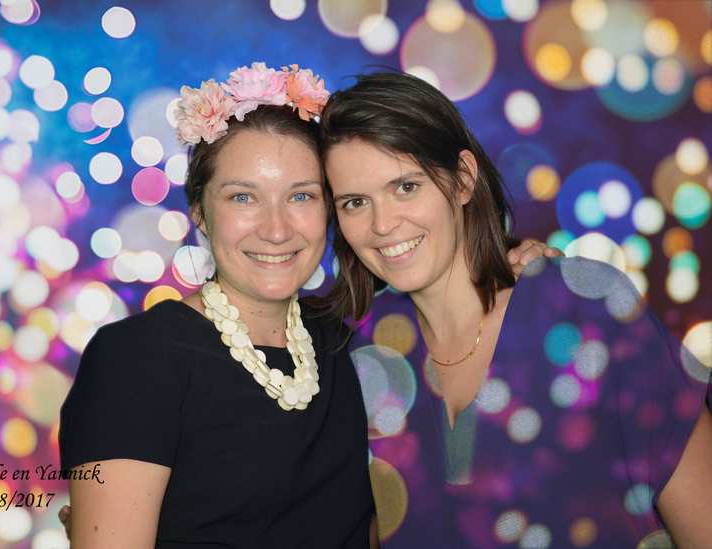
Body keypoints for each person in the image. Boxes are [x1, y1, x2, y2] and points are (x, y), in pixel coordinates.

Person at [57, 63, 557, 548]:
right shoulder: (137, 358)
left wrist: (542, 280)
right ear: (200, 213)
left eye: (301, 196)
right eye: (243, 198)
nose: (276, 230)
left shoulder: (359, 342)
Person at [319, 71, 712, 548]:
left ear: (463, 179)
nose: (383, 224)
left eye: (405, 187)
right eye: (355, 202)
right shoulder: (360, 352)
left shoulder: (585, 308)